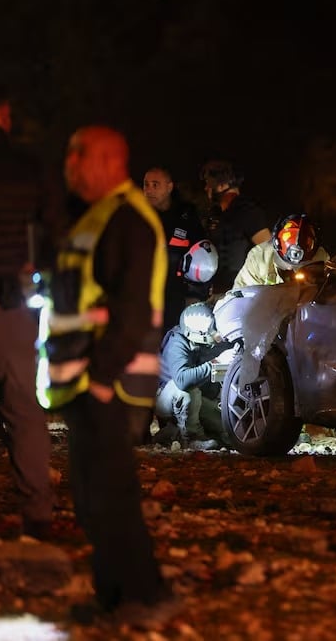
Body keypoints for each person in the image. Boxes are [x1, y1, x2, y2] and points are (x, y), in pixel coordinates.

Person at [42, 125, 177, 627]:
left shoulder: (127, 220)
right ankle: (114, 595)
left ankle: (146, 594)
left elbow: (133, 311)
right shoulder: (97, 217)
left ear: (107, 161)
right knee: (90, 494)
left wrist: (100, 376)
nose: (69, 167)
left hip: (110, 383)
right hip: (88, 381)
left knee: (111, 494)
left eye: (78, 157)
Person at [0, 79, 63, 542]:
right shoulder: (24, 165)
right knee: (22, 407)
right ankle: (37, 516)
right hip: (11, 302)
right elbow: (54, 230)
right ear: (0, 112)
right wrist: (38, 267)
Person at [154, 302, 232, 450]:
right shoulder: (177, 343)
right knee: (187, 390)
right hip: (166, 397)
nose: (217, 337)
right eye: (213, 334)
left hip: (196, 399)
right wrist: (216, 362)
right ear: (198, 334)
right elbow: (183, 380)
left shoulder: (200, 342)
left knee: (226, 428)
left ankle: (172, 432)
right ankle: (191, 437)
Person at [143, 166, 207, 336]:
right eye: (146, 185)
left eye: (155, 185)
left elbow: (203, 257)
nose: (149, 190)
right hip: (144, 294)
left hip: (176, 293)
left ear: (169, 187)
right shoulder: (138, 215)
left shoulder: (186, 216)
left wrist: (195, 295)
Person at [200, 159, 270, 295]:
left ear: (222, 184)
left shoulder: (246, 211)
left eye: (208, 183)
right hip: (218, 292)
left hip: (242, 294)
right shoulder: (217, 214)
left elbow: (267, 249)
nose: (206, 188)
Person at [233, 213, 329, 288]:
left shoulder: (321, 261)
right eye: (285, 264)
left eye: (298, 266)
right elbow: (239, 298)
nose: (290, 269)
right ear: (276, 245)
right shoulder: (259, 258)